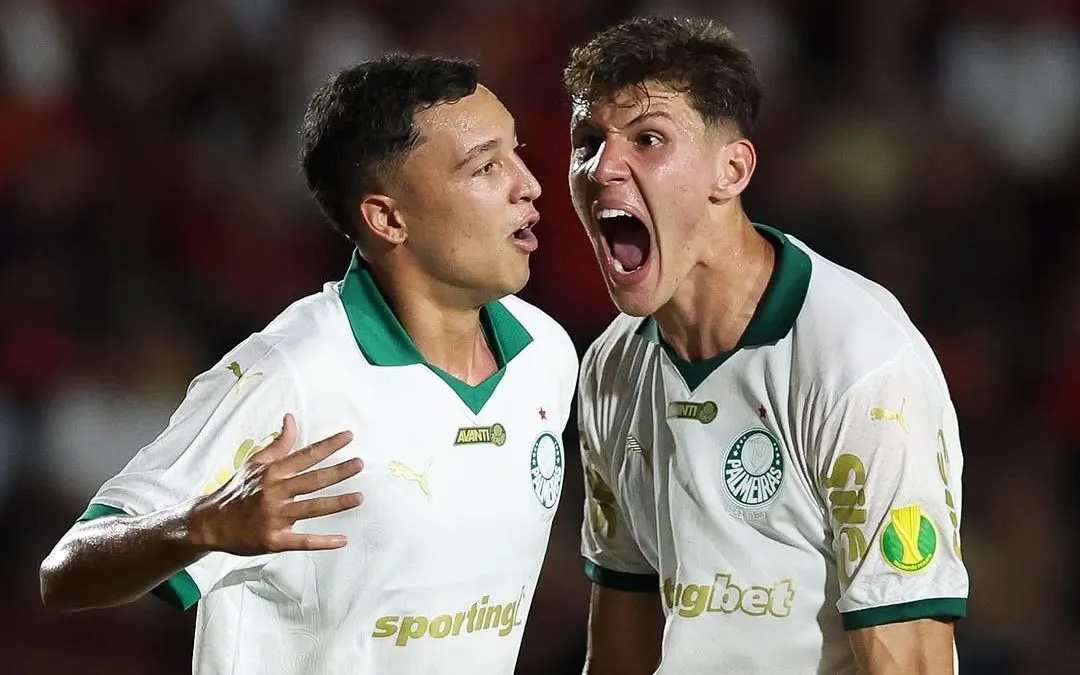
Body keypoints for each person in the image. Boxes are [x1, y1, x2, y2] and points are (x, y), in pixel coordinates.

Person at [39, 53, 578, 675]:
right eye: (485, 166)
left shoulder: (546, 353)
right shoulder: (293, 373)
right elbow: (66, 572)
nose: (529, 184)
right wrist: (198, 527)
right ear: (387, 217)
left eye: (516, 152)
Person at [565, 16, 968, 675]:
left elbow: (912, 658)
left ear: (733, 168)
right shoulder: (612, 363)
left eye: (648, 139)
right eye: (588, 141)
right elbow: (622, 643)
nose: (605, 167)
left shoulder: (859, 359)